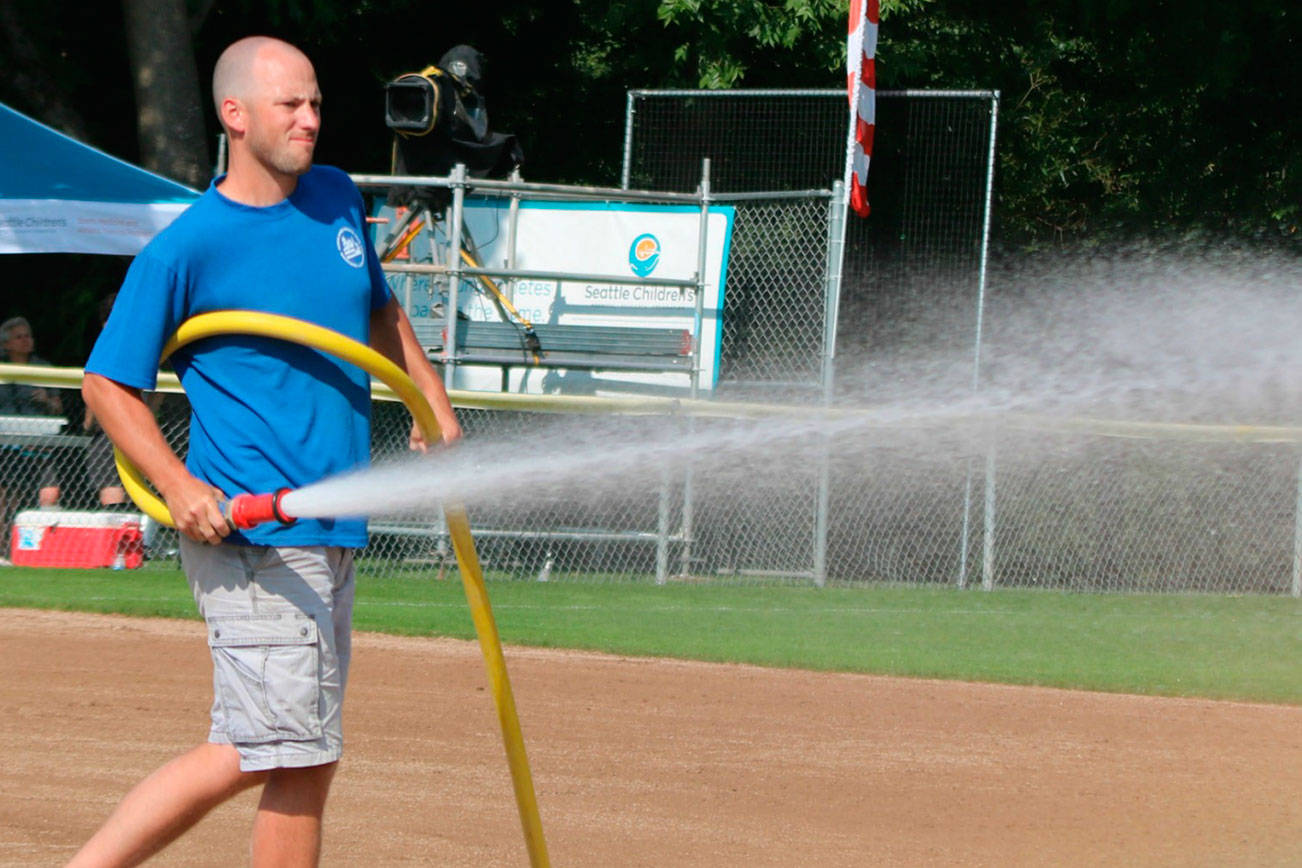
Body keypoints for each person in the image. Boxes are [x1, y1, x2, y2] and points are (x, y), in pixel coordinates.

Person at [73, 36, 461, 867]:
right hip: (253, 534)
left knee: (301, 755)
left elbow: (378, 313)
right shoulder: (188, 245)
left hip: (331, 525)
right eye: (291, 104)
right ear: (235, 115)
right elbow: (106, 386)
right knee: (269, 749)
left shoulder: (334, 197)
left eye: (316, 102)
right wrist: (176, 486)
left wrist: (429, 402)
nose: (311, 119)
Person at [0, 316, 64, 515]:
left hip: (39, 443)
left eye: (28, 336)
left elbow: (58, 408)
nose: (26, 340)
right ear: (6, 344)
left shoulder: (43, 368)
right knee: (6, 499)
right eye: (19, 337)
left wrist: (46, 399)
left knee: (50, 493)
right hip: (7, 444)